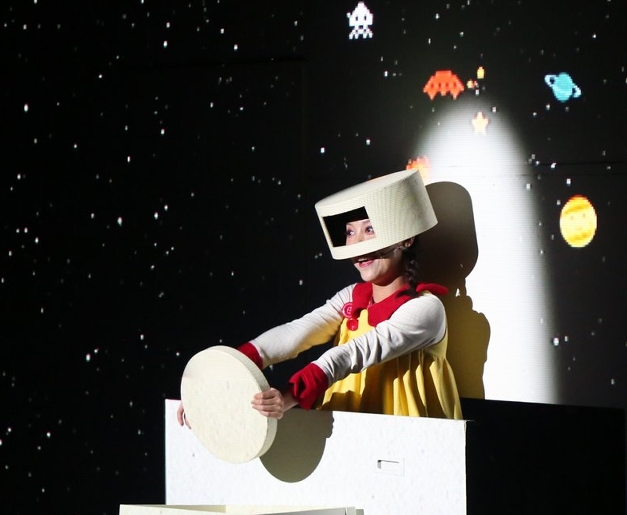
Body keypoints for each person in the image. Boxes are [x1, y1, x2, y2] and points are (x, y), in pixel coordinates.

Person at [177, 169, 462, 426]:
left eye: (369, 229)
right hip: (347, 428)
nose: (358, 245)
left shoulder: (426, 308)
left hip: (407, 437)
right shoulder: (352, 298)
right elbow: (296, 333)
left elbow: (355, 353)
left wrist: (290, 395)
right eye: (350, 232)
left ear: (406, 239)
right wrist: (222, 376)